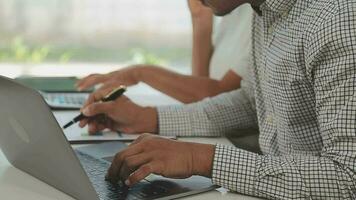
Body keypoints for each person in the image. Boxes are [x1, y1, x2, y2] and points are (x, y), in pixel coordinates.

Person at [79, 0, 356, 199]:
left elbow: (349, 179)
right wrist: (148, 118)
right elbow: (250, 102)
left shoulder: (336, 20)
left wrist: (200, 158)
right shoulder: (266, 12)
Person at [76, 1, 253, 104]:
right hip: (221, 135)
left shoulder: (256, 16)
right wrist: (199, 16)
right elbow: (201, 91)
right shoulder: (232, 11)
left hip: (241, 148)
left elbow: (218, 95)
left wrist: (139, 73)